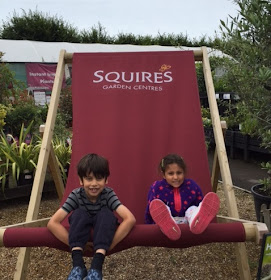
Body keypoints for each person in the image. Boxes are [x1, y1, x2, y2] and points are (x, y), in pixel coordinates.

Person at [47, 153, 136, 280]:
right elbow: (52, 223)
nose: (94, 184)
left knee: (106, 214)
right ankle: (78, 266)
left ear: (106, 180)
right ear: (81, 180)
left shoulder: (108, 194)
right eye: (89, 179)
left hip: (103, 234)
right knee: (78, 214)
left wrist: (110, 244)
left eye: (99, 179)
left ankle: (96, 268)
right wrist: (75, 244)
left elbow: (130, 219)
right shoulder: (76, 195)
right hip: (80, 233)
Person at [145, 153, 220, 241]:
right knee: (161, 207)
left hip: (188, 221)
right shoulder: (157, 187)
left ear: (184, 172)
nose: (176, 177)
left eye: (179, 173)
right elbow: (151, 208)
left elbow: (200, 203)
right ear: (163, 174)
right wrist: (149, 227)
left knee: (192, 209)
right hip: (170, 222)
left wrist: (199, 211)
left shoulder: (191, 185)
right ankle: (167, 224)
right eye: (171, 173)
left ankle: (197, 223)